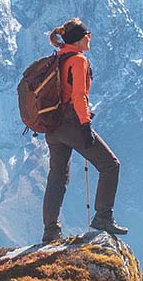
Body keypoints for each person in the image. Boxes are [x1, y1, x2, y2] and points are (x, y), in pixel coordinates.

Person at [42, 18, 128, 242]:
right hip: (72, 123)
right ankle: (103, 216)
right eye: (87, 34)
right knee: (110, 165)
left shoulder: (59, 57)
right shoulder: (78, 60)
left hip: (53, 127)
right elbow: (79, 95)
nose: (90, 37)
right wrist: (85, 125)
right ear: (80, 39)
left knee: (57, 176)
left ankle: (50, 230)